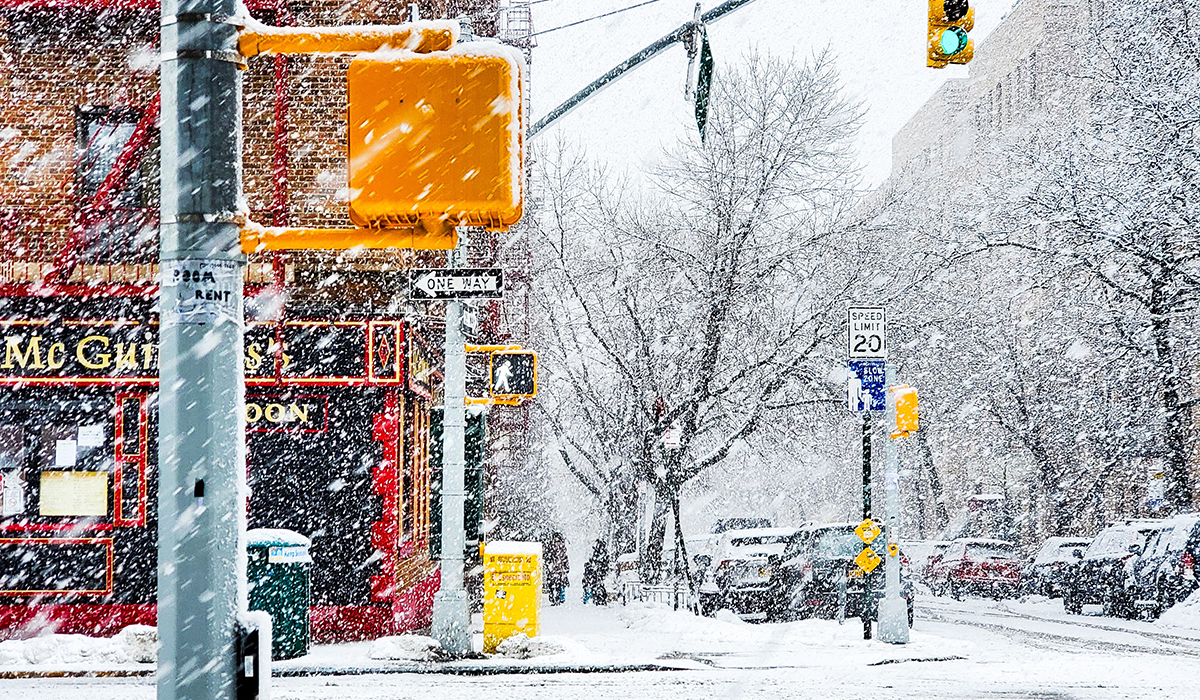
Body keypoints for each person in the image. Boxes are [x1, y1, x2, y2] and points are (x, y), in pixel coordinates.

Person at [544, 532, 569, 606]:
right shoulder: (562, 548)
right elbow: (565, 558)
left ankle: (553, 598)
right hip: (558, 571)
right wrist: (566, 568)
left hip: (552, 570)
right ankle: (557, 598)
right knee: (558, 585)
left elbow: (547, 558)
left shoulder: (550, 547)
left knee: (552, 585)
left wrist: (548, 565)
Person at [582, 539, 610, 605]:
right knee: (596, 586)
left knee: (596, 587)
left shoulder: (599, 555)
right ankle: (596, 598)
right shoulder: (601, 555)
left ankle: (596, 598)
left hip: (597, 575)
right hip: (596, 575)